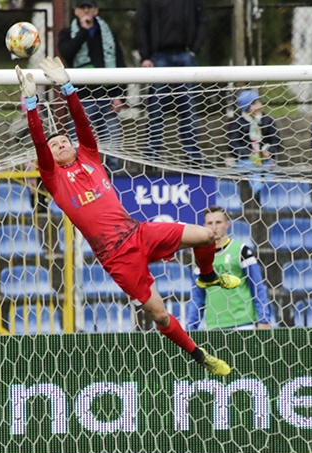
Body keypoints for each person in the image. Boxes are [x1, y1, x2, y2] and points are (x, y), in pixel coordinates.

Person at [16, 57, 239, 376]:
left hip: (139, 232)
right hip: (116, 256)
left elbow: (82, 123)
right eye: (55, 144)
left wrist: (67, 88)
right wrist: (31, 102)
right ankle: (199, 354)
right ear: (48, 157)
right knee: (160, 316)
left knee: (206, 236)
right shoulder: (53, 178)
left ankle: (206, 275)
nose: (61, 143)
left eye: (64, 140)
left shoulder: (90, 156)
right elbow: (39, 140)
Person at [58, 0, 126, 173]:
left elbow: (119, 63)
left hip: (107, 98)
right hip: (82, 99)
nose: (86, 11)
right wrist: (83, 31)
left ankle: (115, 185)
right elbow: (67, 53)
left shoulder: (107, 34)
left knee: (112, 147)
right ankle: (80, 178)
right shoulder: (67, 33)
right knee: (77, 145)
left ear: (96, 10)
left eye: (89, 7)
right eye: (82, 7)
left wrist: (120, 95)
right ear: (75, 11)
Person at [135, 0, 206, 166]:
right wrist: (145, 56)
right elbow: (142, 24)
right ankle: (152, 158)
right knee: (156, 109)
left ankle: (193, 157)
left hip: (185, 55)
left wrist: (195, 50)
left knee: (188, 107)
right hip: (159, 57)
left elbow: (202, 21)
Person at [186, 207, 271, 331]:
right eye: (210, 223)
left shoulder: (241, 250)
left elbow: (257, 287)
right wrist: (190, 329)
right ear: (204, 226)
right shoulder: (201, 257)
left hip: (243, 325)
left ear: (227, 225)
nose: (214, 227)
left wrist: (264, 319)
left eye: (218, 222)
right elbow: (197, 299)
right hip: (214, 327)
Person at [227, 90, 281, 169]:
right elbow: (233, 144)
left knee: (270, 175)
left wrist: (269, 151)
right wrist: (251, 154)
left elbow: (276, 140)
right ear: (246, 107)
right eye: (254, 104)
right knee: (252, 174)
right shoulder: (237, 122)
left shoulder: (267, 120)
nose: (259, 106)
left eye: (259, 102)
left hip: (265, 158)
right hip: (246, 160)